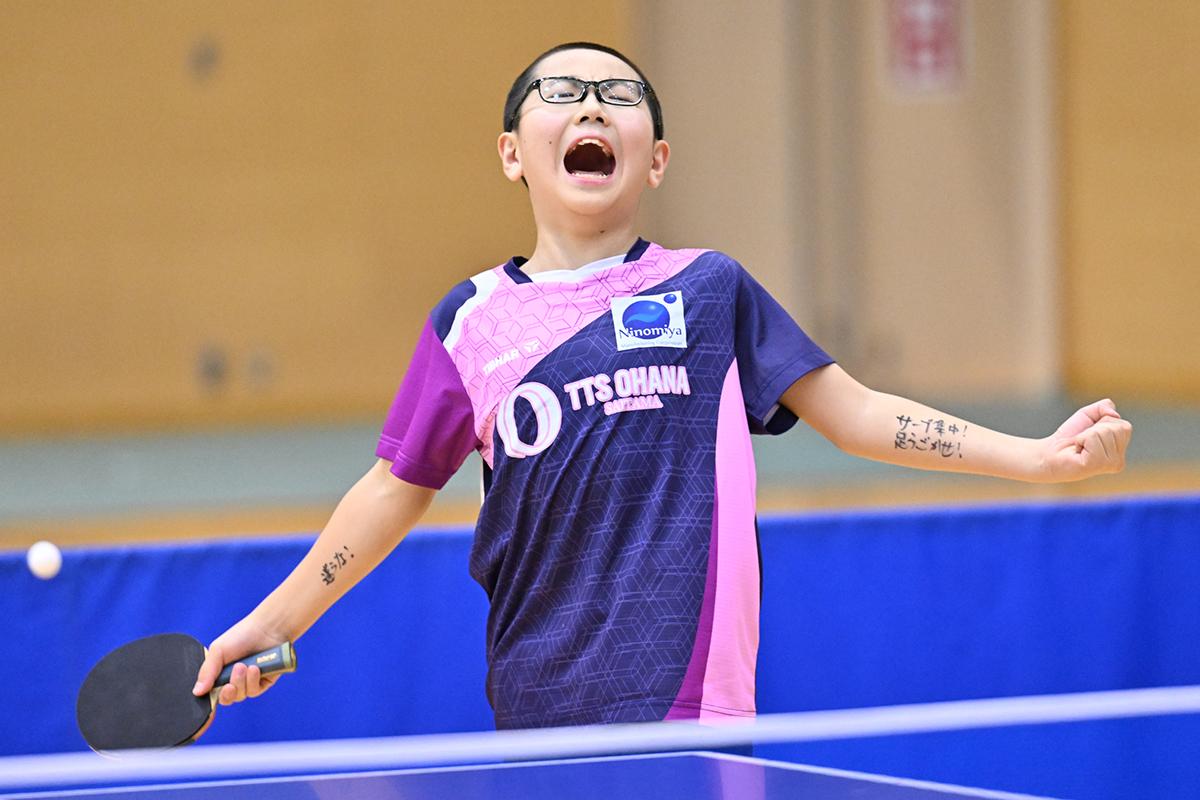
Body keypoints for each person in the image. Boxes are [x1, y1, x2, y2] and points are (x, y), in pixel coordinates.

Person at [192, 42, 1132, 731]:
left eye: (620, 97)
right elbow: (394, 488)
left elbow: (856, 414)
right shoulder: (469, 320)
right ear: (513, 152)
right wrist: (271, 622)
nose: (593, 109)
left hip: (693, 697)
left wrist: (1036, 458)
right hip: (539, 696)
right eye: (563, 93)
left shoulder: (710, 289)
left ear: (658, 158)